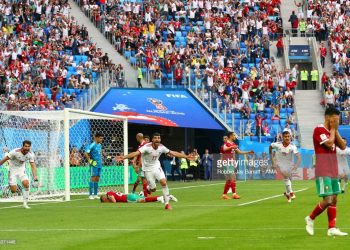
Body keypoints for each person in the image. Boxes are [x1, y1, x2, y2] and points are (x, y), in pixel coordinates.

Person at [116, 133, 194, 210]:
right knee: (153, 189)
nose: (157, 139)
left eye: (159, 138)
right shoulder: (146, 147)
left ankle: (167, 204)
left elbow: (173, 153)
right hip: (147, 170)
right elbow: (135, 153)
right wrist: (123, 157)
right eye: (155, 138)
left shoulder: (161, 147)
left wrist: (186, 156)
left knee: (163, 182)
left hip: (157, 167)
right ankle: (148, 188)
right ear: (152, 139)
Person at [305, 107, 348, 236]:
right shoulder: (319, 129)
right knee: (328, 199)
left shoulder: (332, 131)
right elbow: (329, 144)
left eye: (338, 120)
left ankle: (331, 228)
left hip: (333, 169)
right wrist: (333, 129)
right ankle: (310, 218)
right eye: (335, 119)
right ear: (328, 118)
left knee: (334, 199)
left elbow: (343, 146)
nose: (337, 122)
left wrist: (335, 130)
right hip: (323, 169)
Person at [0, 140, 38, 209]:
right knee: (13, 190)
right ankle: (6, 152)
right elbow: (5, 159)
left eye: (28, 146)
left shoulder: (31, 154)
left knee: (26, 184)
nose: (27, 148)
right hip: (12, 169)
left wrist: (35, 176)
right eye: (25, 146)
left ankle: (25, 203)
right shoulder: (15, 152)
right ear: (22, 146)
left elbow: (33, 165)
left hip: (21, 169)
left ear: (30, 147)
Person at [269, 130, 301, 202]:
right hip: (280, 163)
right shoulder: (277, 144)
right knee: (286, 175)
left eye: (288, 136)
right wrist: (273, 161)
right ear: (282, 137)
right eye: (285, 137)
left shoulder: (292, 146)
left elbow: (298, 156)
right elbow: (270, 147)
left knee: (289, 179)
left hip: (289, 164)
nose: (287, 138)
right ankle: (292, 193)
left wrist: (296, 165)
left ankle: (287, 193)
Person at [222, 132, 254, 199]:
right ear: (230, 136)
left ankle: (224, 195)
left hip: (230, 162)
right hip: (226, 162)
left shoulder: (233, 144)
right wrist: (231, 147)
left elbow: (239, 152)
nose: (235, 136)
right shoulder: (226, 143)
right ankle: (234, 194)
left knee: (228, 180)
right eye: (234, 135)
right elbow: (224, 149)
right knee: (233, 177)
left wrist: (248, 152)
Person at [84, 132, 104, 200]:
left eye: (102, 138)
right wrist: (90, 161)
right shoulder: (92, 145)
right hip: (94, 164)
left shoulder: (100, 145)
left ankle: (95, 194)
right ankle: (90, 194)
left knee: (97, 179)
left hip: (99, 164)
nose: (101, 139)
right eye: (100, 138)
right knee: (93, 178)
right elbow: (86, 153)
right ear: (96, 138)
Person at [100, 190, 178, 203]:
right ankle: (169, 197)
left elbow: (114, 201)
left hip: (129, 198)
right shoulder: (111, 192)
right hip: (129, 195)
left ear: (104, 198)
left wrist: (110, 200)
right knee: (143, 198)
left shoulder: (109, 194)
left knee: (144, 200)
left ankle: (159, 198)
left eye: (104, 200)